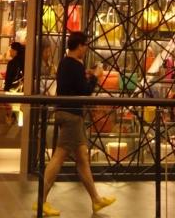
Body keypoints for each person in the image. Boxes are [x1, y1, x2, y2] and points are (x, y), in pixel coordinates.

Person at [38, 31, 115, 216]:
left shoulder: (64, 62)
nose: (86, 49)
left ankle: (96, 200)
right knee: (58, 157)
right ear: (80, 46)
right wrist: (95, 76)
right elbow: (85, 92)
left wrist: (86, 75)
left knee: (82, 158)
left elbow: (72, 86)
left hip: (65, 113)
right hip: (72, 116)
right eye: (85, 45)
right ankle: (41, 201)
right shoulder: (76, 64)